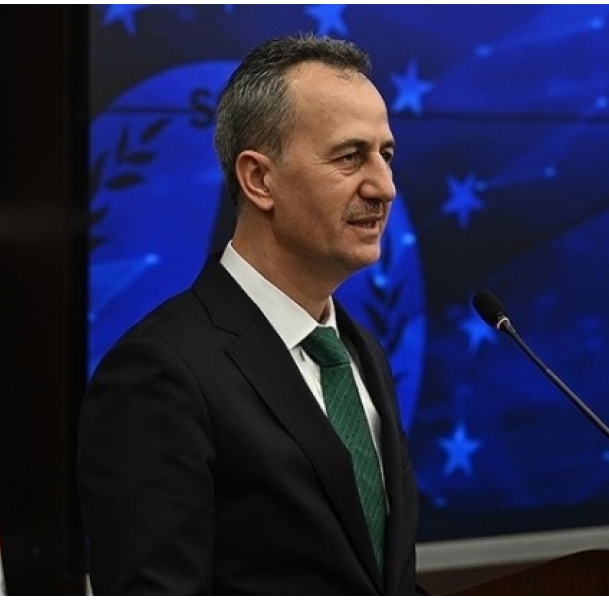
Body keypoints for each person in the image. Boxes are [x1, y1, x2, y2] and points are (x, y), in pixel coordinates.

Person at [76, 33, 421, 594]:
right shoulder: (160, 373)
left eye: (386, 155)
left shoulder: (362, 353)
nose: (384, 187)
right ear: (259, 179)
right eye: (349, 156)